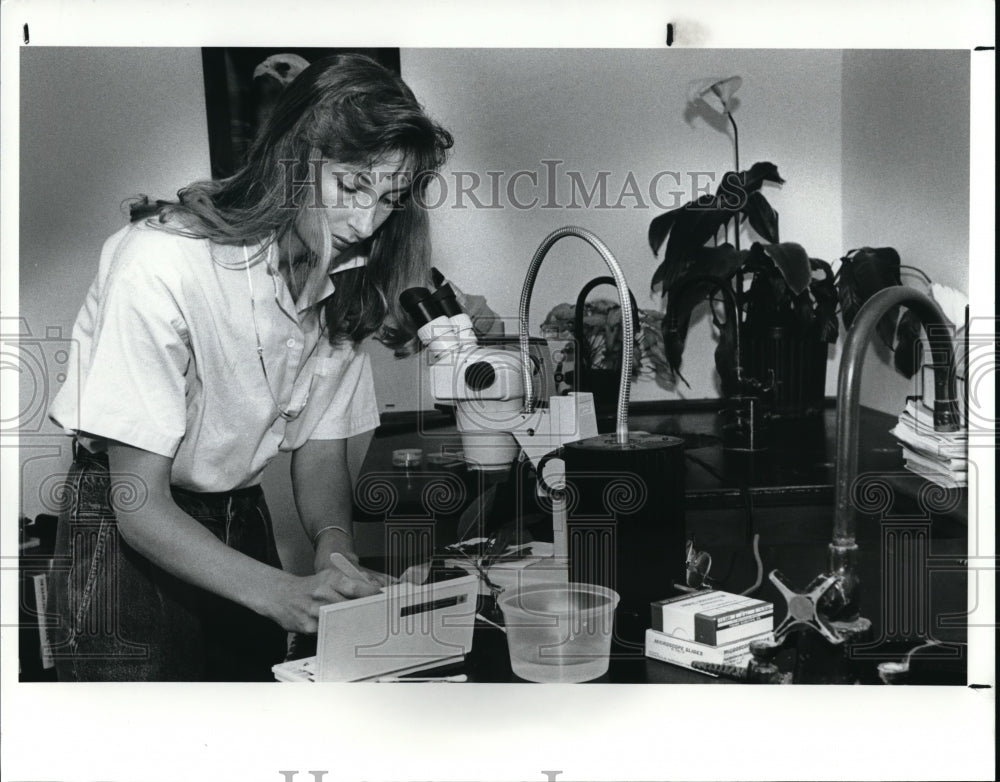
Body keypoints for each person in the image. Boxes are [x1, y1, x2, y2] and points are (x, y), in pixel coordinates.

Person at [46, 54, 454, 681]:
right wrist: (279, 592)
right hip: (127, 523)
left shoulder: (347, 286)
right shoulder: (161, 261)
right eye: (351, 185)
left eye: (391, 199)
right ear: (292, 161)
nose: (367, 223)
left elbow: (320, 452)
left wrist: (334, 550)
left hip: (240, 514)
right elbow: (139, 504)